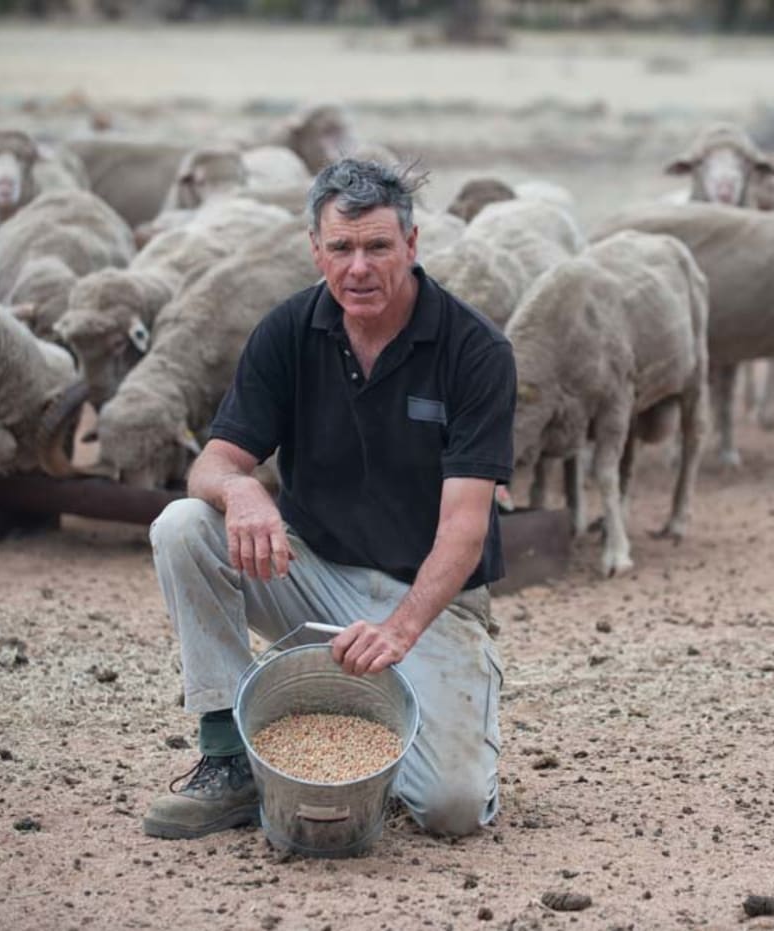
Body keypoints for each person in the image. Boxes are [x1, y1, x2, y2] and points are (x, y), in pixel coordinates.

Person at [142, 158, 516, 841]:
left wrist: (399, 630)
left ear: (412, 244)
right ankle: (229, 756)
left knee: (451, 809)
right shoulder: (287, 331)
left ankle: (377, 713)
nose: (359, 268)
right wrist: (242, 488)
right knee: (183, 524)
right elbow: (212, 464)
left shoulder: (474, 351)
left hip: (426, 600)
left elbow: (466, 527)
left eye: (377, 246)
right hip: (310, 578)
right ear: (315, 249)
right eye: (340, 248)